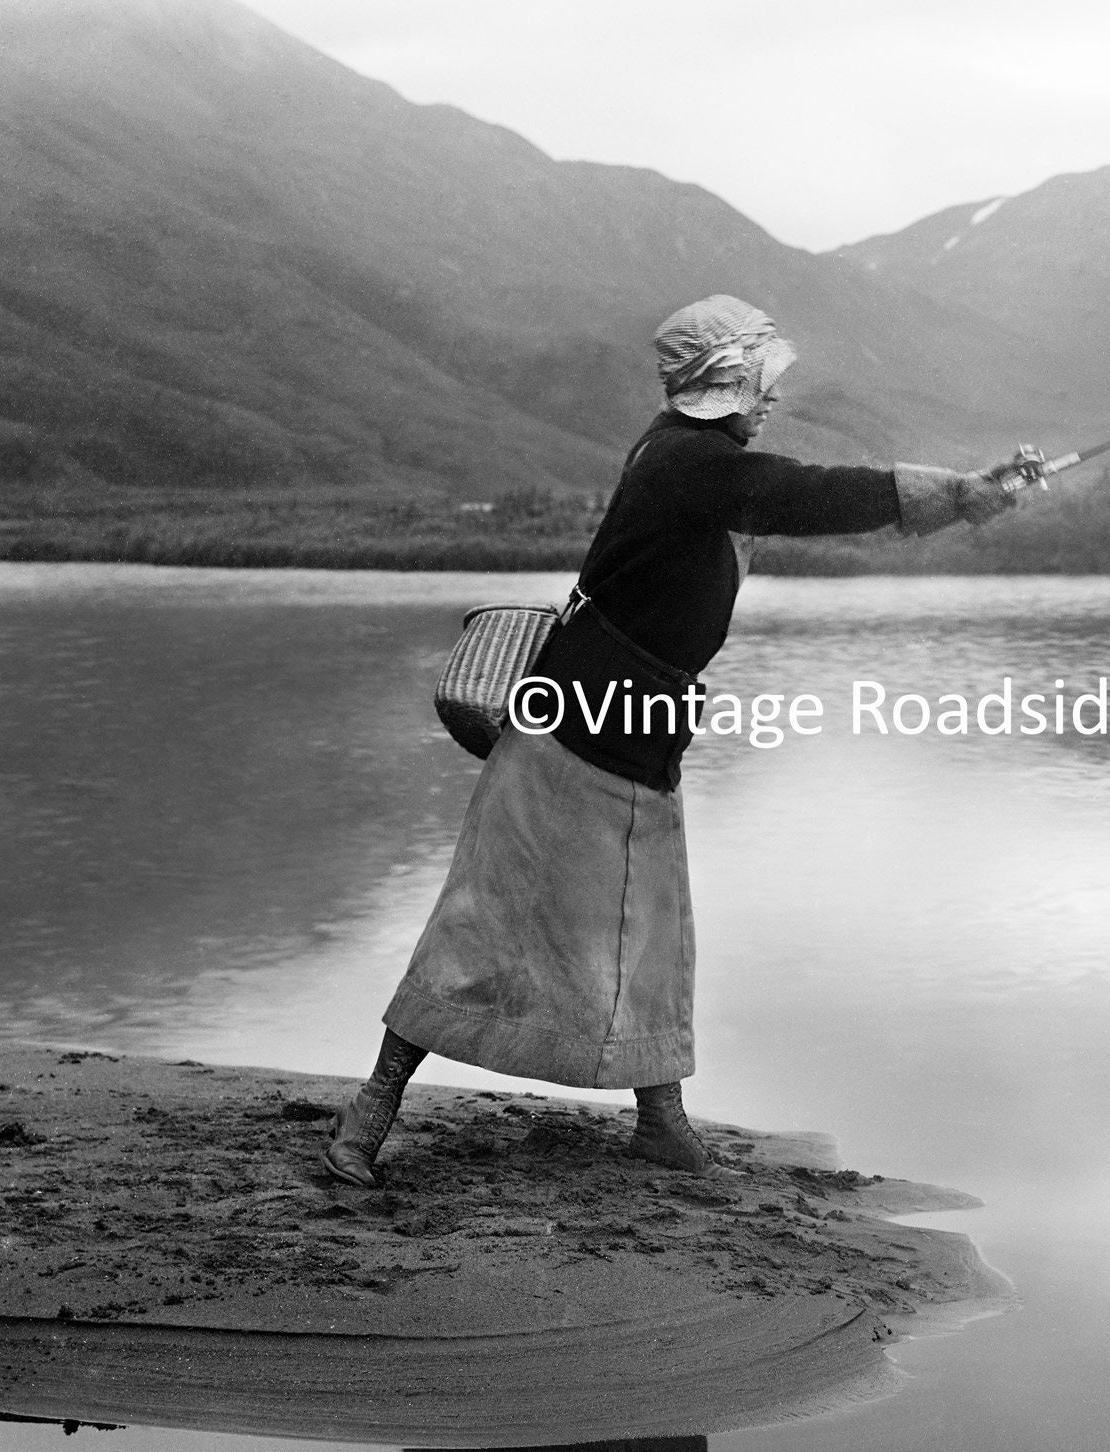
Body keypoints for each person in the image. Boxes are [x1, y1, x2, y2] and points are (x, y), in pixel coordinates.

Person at [325, 294, 1019, 1184]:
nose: (770, 400)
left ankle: (661, 1124)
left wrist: (968, 494)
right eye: (763, 383)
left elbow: (785, 490)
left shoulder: (685, 452)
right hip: (576, 722)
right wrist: (959, 495)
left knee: (651, 933)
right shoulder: (689, 461)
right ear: (726, 381)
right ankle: (367, 1116)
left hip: (638, 729)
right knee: (485, 925)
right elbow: (801, 494)